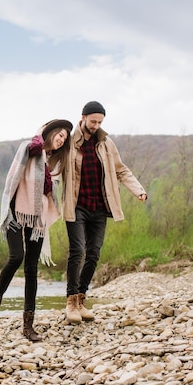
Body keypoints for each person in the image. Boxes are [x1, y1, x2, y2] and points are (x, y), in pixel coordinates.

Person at [0, 119, 73, 341]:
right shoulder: (29, 148)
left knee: (32, 269)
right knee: (16, 257)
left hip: (37, 218)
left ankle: (28, 326)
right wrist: (7, 209)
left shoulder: (53, 163)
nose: (61, 139)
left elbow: (50, 192)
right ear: (50, 132)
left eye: (64, 138)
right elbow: (13, 178)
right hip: (16, 211)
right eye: (59, 135)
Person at [62, 101, 147, 324]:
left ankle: (81, 299)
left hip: (99, 208)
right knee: (77, 250)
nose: (96, 125)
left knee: (94, 254)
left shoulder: (106, 143)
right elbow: (53, 165)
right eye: (93, 121)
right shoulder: (69, 142)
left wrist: (138, 190)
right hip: (76, 206)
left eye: (100, 122)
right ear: (83, 118)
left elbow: (121, 170)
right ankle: (71, 302)